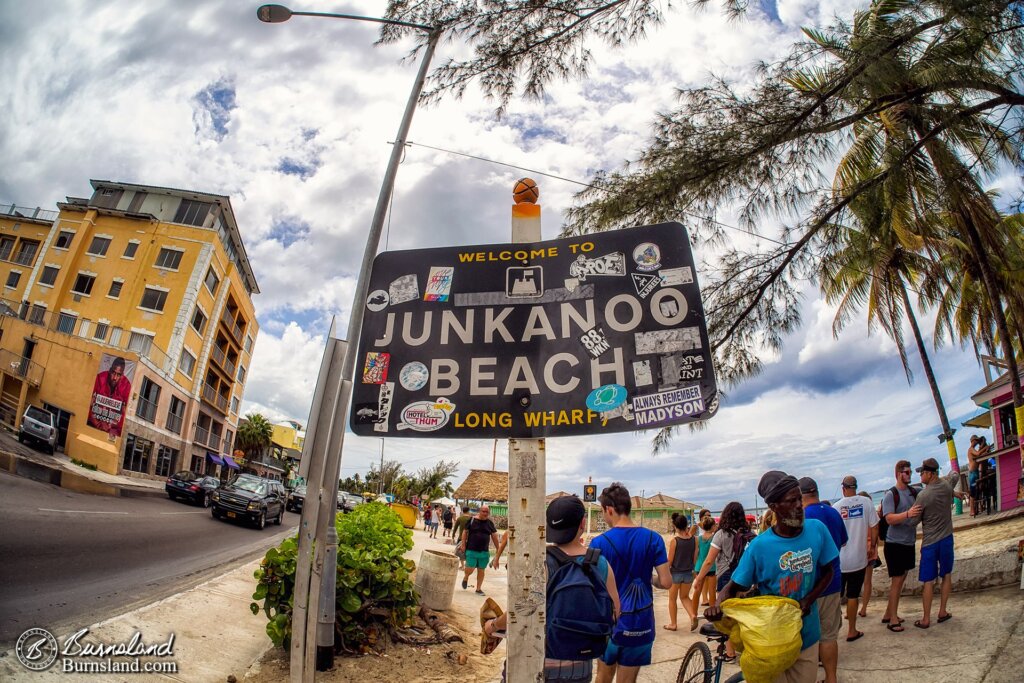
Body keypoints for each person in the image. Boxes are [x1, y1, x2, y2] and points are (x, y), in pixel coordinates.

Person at [706, 470, 839, 683]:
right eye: (791, 501)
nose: (799, 505)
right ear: (774, 507)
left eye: (799, 499)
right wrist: (717, 606)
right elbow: (733, 586)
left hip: (807, 637)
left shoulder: (817, 530)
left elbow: (829, 571)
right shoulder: (760, 546)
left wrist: (809, 599)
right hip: (771, 643)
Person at [481, 495, 621, 682]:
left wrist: (493, 625)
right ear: (582, 523)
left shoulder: (540, 563)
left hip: (537, 663)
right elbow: (616, 613)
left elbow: (520, 612)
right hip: (581, 667)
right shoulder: (601, 563)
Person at [589, 483, 671, 683]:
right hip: (641, 623)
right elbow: (666, 582)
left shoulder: (598, 543)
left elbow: (591, 585)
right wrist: (648, 579)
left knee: (603, 676)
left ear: (609, 509)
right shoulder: (654, 539)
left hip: (610, 623)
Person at [799, 477, 847, 683]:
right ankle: (831, 678)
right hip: (833, 580)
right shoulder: (833, 512)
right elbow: (842, 542)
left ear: (799, 496)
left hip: (809, 586)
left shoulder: (803, 517)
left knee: (807, 638)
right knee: (829, 635)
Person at [910, 457, 967, 628]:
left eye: (922, 473)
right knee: (946, 574)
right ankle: (942, 611)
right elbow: (955, 474)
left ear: (929, 473)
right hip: (947, 538)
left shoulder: (923, 495)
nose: (920, 476)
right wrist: (953, 493)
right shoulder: (946, 486)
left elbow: (913, 522)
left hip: (930, 542)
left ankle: (926, 619)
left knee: (928, 581)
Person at [692, 502, 752, 661]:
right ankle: (747, 649)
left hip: (726, 576)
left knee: (727, 616)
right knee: (744, 614)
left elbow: (709, 561)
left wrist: (698, 579)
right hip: (746, 577)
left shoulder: (721, 534)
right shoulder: (750, 534)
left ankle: (730, 652)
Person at [831, 475, 878, 643]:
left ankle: (832, 633)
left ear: (843, 488)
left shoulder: (836, 507)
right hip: (859, 559)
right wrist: (872, 547)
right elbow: (874, 527)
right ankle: (851, 630)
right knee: (852, 596)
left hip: (840, 560)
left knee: (836, 597)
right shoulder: (866, 503)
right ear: (856, 487)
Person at [880, 460, 922, 631]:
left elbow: (929, 493)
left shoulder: (913, 492)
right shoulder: (891, 494)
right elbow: (888, 518)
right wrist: (908, 514)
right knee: (897, 581)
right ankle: (893, 620)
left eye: (910, 472)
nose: (909, 475)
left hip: (908, 542)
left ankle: (888, 613)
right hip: (894, 544)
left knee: (902, 577)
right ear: (898, 474)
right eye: (906, 472)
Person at [664, 512, 699, 632]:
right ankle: (693, 615)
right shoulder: (694, 540)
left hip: (675, 574)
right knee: (684, 597)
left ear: (675, 526)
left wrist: (664, 572)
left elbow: (670, 560)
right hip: (688, 573)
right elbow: (695, 558)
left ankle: (673, 624)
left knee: (672, 599)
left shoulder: (675, 541)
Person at [87, 356, 132, 437]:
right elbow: (87, 402)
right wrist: (96, 423)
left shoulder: (127, 385)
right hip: (93, 424)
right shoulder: (100, 378)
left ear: (122, 375)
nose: (115, 378)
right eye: (113, 373)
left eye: (118, 375)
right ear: (110, 370)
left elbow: (125, 414)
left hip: (112, 429)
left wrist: (110, 426)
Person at [459, 505, 501, 595]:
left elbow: (494, 536)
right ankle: (466, 577)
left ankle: (478, 589)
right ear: (479, 511)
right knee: (470, 568)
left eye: (487, 512)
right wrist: (463, 544)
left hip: (484, 551)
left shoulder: (489, 523)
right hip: (471, 549)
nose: (485, 513)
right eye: (483, 511)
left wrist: (498, 548)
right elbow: (465, 532)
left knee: (481, 570)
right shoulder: (472, 520)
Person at [857, 490, 881, 617]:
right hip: (870, 550)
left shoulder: (857, 516)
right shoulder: (873, 515)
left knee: (855, 581)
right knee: (867, 581)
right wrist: (873, 546)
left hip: (859, 550)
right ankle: (864, 608)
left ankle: (855, 607)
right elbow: (876, 533)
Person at [694, 515, 717, 608]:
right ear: (712, 527)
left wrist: (694, 566)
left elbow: (695, 553)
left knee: (697, 592)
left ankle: (693, 615)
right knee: (712, 593)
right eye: (714, 525)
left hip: (699, 566)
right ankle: (712, 613)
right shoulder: (714, 538)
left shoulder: (698, 538)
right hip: (711, 567)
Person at [967, 436, 990, 516]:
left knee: (976, 491)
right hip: (972, 473)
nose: (977, 442)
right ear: (973, 441)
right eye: (976, 441)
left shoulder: (974, 450)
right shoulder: (971, 449)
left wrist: (985, 450)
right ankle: (971, 511)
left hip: (975, 472)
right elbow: (978, 454)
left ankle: (977, 508)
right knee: (973, 492)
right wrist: (985, 447)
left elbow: (978, 456)